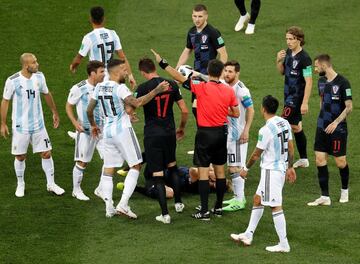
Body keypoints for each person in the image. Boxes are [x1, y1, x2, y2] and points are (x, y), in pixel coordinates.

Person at [151, 49, 240, 220]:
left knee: (204, 173)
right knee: (221, 173)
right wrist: (222, 109)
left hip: (205, 134)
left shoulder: (200, 87)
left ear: (207, 71)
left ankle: (204, 211)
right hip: (222, 133)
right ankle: (219, 208)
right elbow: (235, 113)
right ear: (221, 72)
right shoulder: (229, 91)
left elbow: (178, 77)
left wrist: (162, 63)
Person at [86, 59, 169, 218]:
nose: (126, 72)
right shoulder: (120, 88)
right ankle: (123, 204)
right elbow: (137, 103)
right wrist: (156, 90)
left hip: (107, 132)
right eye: (124, 70)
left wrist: (93, 125)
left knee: (108, 169)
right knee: (136, 165)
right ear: (116, 71)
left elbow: (89, 110)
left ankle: (108, 207)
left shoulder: (99, 88)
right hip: (122, 131)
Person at [230, 95, 296, 253]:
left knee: (275, 206)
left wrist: (245, 168)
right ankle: (248, 234)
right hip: (279, 169)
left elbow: (255, 154)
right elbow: (291, 147)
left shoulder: (265, 130)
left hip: (271, 171)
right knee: (258, 199)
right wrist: (290, 166)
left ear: (263, 109)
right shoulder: (284, 122)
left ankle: (284, 243)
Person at [0, 53, 65, 197]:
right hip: (20, 126)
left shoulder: (39, 77)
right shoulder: (13, 81)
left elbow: (46, 94)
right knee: (20, 156)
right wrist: (3, 123)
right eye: (34, 62)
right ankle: (21, 184)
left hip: (38, 125)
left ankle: (51, 184)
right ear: (25, 65)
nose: (37, 64)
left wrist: (54, 112)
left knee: (47, 153)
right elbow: (5, 101)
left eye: (36, 61)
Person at [136, 57, 189, 224]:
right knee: (173, 168)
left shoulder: (143, 87)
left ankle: (165, 215)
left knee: (158, 176)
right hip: (169, 133)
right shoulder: (172, 84)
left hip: (153, 135)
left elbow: (133, 104)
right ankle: (179, 203)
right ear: (154, 68)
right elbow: (184, 110)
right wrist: (180, 127)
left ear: (143, 72)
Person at [307, 54, 352, 206]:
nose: (315, 69)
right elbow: (322, 102)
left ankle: (344, 190)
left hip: (338, 129)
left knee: (340, 162)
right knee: (320, 159)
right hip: (322, 127)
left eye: (316, 66)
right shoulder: (321, 82)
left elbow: (349, 107)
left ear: (324, 65)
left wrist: (336, 122)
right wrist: (322, 120)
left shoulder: (343, 82)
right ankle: (325, 196)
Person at [176, 4, 228, 126]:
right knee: (196, 108)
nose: (197, 19)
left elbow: (223, 54)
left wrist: (218, 75)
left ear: (206, 16)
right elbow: (187, 50)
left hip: (209, 77)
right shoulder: (191, 32)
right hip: (196, 76)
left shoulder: (213, 32)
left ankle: (212, 129)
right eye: (194, 16)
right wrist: (177, 69)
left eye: (200, 16)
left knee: (208, 107)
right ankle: (204, 130)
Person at [65, 60, 105, 201]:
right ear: (92, 73)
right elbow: (68, 106)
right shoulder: (79, 88)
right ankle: (76, 190)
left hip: (101, 130)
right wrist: (75, 123)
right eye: (101, 72)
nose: (104, 74)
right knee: (82, 162)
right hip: (86, 131)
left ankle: (100, 189)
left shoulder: (103, 86)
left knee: (110, 160)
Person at [69, 6, 136, 88]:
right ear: (104, 18)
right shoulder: (113, 34)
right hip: (112, 76)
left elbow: (78, 58)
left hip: (98, 77)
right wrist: (130, 76)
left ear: (91, 19)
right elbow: (122, 57)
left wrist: (73, 66)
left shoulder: (89, 37)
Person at [276, 26, 312, 168]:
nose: (288, 42)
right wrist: (278, 60)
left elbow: (309, 81)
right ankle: (304, 159)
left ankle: (284, 160)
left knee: (282, 124)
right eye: (287, 39)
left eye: (291, 39)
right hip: (288, 95)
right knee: (296, 128)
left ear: (299, 40)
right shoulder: (288, 53)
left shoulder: (305, 58)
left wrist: (305, 103)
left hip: (296, 98)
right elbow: (282, 72)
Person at [222, 60, 254, 212]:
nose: (227, 74)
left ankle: (240, 200)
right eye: (226, 71)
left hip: (238, 134)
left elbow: (251, 110)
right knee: (231, 166)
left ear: (237, 73)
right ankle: (237, 196)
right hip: (229, 133)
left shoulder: (242, 90)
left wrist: (246, 130)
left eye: (230, 71)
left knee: (235, 167)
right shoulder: (224, 85)